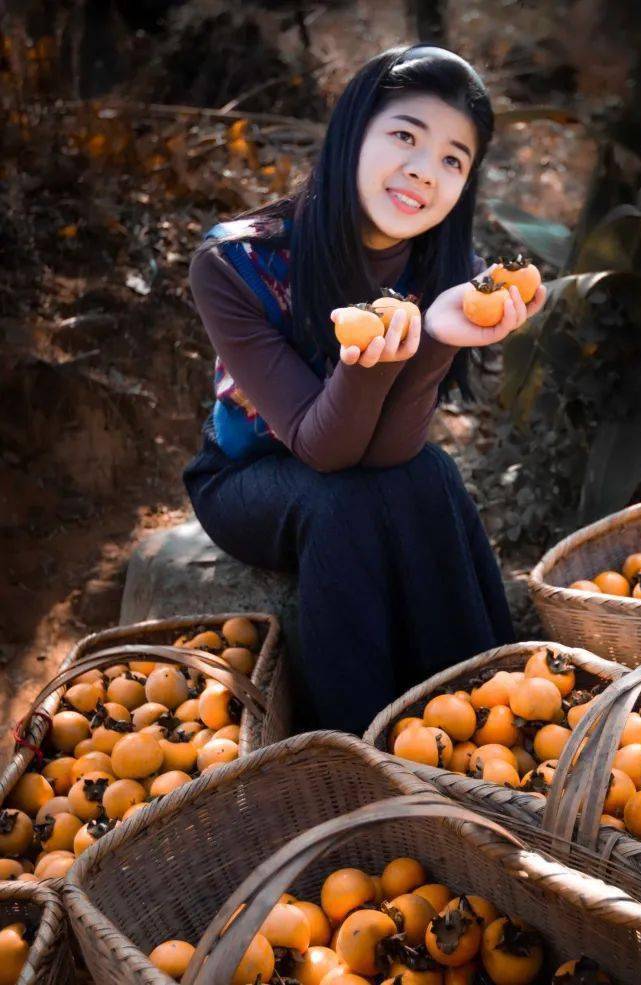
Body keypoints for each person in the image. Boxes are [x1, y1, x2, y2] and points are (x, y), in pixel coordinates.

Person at [182, 44, 545, 733]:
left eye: (452, 159)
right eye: (405, 136)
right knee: (340, 502)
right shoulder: (237, 263)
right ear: (353, 131)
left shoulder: (451, 275)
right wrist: (370, 357)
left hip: (354, 467)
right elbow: (323, 452)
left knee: (430, 473)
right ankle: (358, 748)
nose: (422, 172)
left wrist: (437, 336)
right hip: (246, 479)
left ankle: (485, 722)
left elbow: (388, 455)